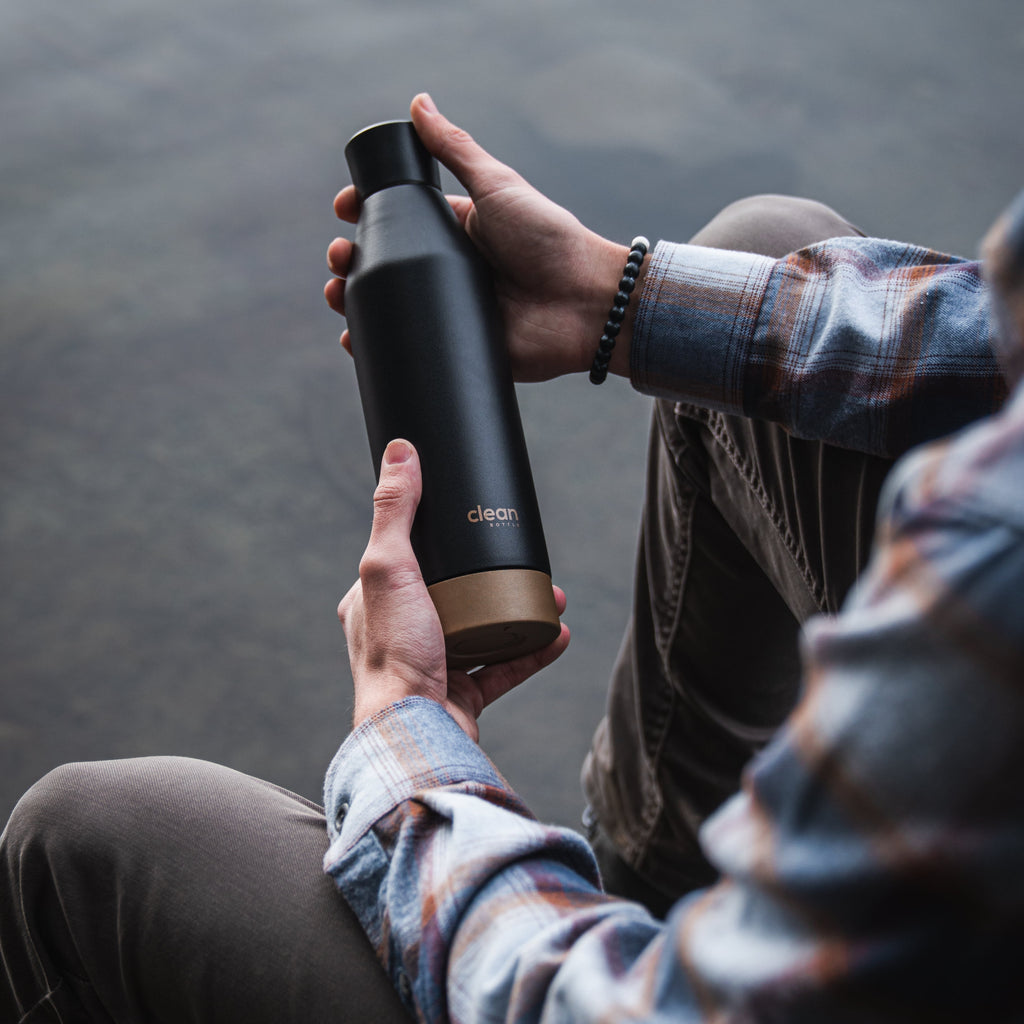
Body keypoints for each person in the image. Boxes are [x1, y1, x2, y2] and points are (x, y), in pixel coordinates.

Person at [2, 91, 1020, 1023]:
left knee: (89, 837)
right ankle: (650, 877)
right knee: (767, 246)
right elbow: (996, 337)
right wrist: (616, 297)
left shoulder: (991, 569)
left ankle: (613, 911)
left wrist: (406, 731)